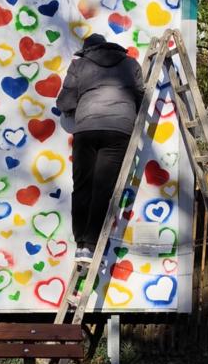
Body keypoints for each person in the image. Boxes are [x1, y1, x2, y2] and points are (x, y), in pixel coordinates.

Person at [55, 33, 145, 260]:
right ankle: (91, 244)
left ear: (87, 51)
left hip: (87, 128)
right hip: (119, 129)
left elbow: (65, 102)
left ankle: (81, 244)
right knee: (103, 188)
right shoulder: (130, 63)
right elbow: (141, 96)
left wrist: (75, 106)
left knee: (83, 186)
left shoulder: (79, 65)